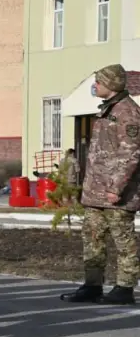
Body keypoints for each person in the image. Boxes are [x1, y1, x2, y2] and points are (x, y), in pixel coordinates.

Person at [59, 64, 140, 306]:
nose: (96, 86)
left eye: (100, 82)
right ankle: (92, 285)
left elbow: (132, 153)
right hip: (96, 193)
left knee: (123, 240)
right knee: (92, 238)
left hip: (116, 194)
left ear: (112, 84)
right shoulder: (108, 110)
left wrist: (116, 188)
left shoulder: (128, 113)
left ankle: (125, 288)